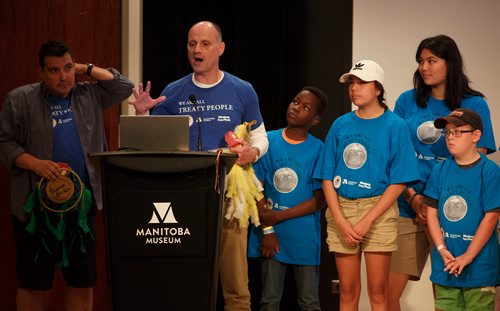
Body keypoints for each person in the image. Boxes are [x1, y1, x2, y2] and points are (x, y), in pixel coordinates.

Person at [129, 21, 268, 310]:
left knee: (236, 288)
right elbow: (150, 142)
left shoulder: (242, 90)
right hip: (184, 197)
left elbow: (260, 136)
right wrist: (142, 115)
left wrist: (252, 152)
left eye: (205, 44)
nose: (197, 50)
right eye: (192, 44)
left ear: (220, 48)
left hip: (229, 196)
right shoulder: (174, 91)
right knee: (188, 280)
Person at [0, 40, 134, 311]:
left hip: (81, 210)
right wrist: (36, 164)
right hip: (35, 210)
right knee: (32, 283)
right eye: (54, 70)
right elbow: (4, 142)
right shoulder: (20, 99)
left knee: (81, 282)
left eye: (68, 68)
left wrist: (86, 68)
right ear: (41, 73)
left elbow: (124, 87)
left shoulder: (90, 95)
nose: (63, 76)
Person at [389, 34, 497, 310]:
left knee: (448, 293)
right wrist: (414, 198)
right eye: (421, 61)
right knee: (389, 294)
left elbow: (473, 165)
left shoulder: (474, 104)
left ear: (450, 64)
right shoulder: (406, 101)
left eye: (431, 61)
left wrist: (436, 203)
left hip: (452, 209)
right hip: (408, 205)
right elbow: (397, 155)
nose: (424, 67)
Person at [313, 60, 420, 310]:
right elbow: (326, 176)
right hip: (342, 209)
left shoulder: (396, 125)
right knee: (347, 290)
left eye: (362, 82)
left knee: (378, 292)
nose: (354, 88)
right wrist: (339, 219)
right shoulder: (341, 124)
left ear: (378, 89)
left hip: (379, 211)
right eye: (352, 82)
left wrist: (367, 219)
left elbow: (399, 180)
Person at [247, 86, 328, 310]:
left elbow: (319, 200)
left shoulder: (319, 149)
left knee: (309, 302)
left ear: (315, 119)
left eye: (305, 107)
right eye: (295, 101)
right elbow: (255, 187)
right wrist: (269, 229)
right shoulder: (268, 142)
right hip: (272, 237)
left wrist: (279, 216)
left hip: (303, 237)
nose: (296, 108)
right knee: (269, 300)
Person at [424, 108, 500, 310]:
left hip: (479, 269)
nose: (450, 137)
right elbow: (431, 213)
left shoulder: (490, 171)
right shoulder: (440, 169)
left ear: (476, 136)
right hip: (446, 266)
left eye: (458, 132)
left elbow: (491, 218)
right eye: (448, 132)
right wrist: (441, 249)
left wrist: (468, 256)